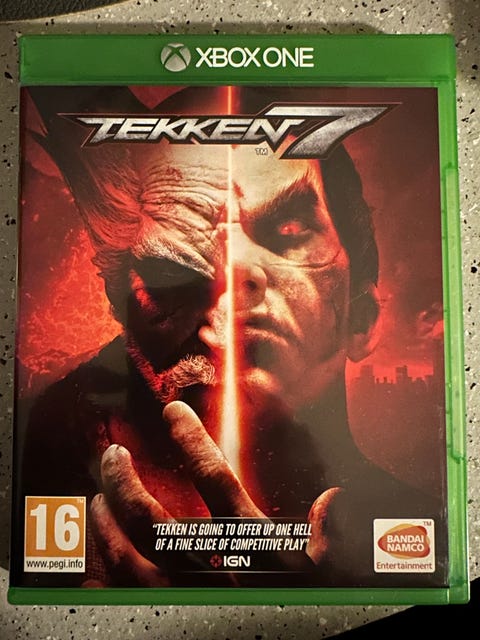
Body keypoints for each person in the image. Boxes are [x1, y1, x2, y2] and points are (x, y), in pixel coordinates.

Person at [15, 86, 446, 590]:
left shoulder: (421, 549)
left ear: (362, 320)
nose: (229, 271)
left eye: (287, 230)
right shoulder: (34, 488)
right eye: (171, 265)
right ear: (123, 310)